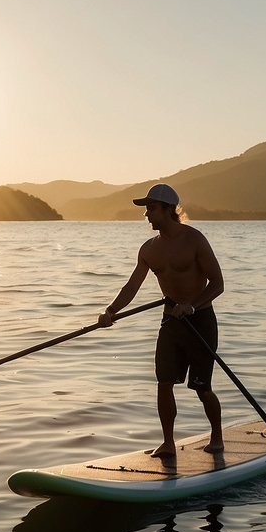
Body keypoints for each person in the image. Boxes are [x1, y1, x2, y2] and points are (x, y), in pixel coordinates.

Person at [98, 184, 225, 458]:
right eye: (146, 209)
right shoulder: (148, 249)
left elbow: (217, 284)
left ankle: (217, 436)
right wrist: (110, 311)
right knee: (164, 383)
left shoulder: (195, 240)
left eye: (151, 208)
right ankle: (168, 443)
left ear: (169, 210)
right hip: (171, 324)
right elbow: (131, 287)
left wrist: (191, 306)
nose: (146, 214)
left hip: (200, 321)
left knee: (202, 388)